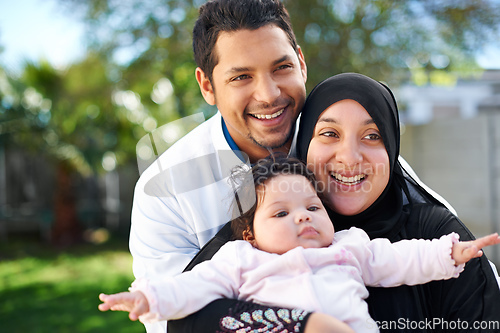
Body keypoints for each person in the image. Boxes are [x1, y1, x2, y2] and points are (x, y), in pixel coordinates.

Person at [100, 158, 500, 333]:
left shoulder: (349, 247)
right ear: (250, 233)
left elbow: (398, 258)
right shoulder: (239, 260)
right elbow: (191, 287)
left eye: (312, 206)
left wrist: (448, 253)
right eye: (281, 213)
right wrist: (148, 298)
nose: (303, 216)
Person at [129, 0, 309, 332]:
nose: (268, 95)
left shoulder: (350, 147)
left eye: (281, 67)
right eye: (241, 76)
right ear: (207, 86)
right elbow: (173, 319)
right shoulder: (164, 191)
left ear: (301, 63)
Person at [293, 72, 500, 331]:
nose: (350, 157)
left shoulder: (436, 237)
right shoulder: (270, 234)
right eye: (329, 133)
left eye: (372, 135)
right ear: (303, 144)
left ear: (391, 148)